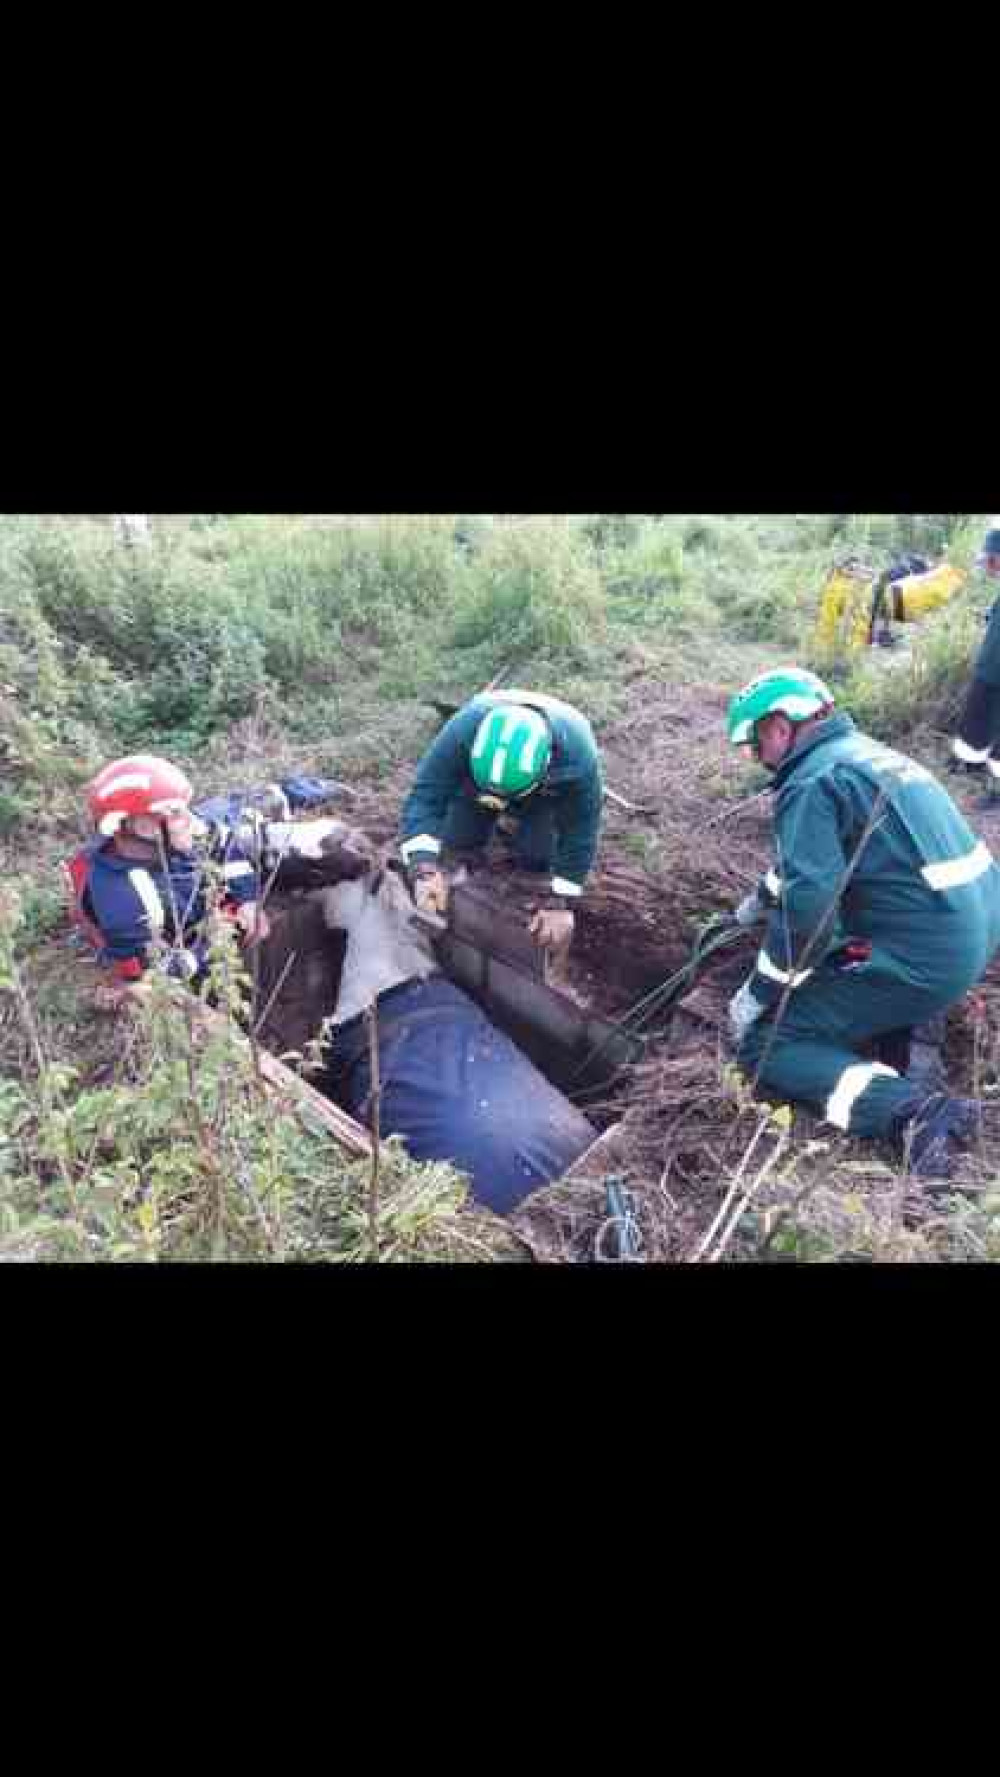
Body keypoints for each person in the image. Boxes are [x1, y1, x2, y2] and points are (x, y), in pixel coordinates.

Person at [725, 667, 1000, 1180]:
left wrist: (760, 993)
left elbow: (810, 914)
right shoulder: (863, 754)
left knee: (767, 1046)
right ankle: (913, 1020)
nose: (756, 757)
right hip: (974, 926)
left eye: (755, 740)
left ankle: (911, 1115)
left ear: (781, 726)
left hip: (927, 954)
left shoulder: (809, 782)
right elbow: (817, 862)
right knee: (851, 952)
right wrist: (758, 901)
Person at [397, 690, 603, 955]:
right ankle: (465, 862)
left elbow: (580, 830)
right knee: (458, 838)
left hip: (544, 795)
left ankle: (531, 878)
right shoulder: (461, 733)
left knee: (538, 852)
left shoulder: (578, 757)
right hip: (476, 786)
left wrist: (560, 902)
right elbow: (426, 797)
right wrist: (423, 867)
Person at [80, 753, 270, 1001]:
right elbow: (159, 977)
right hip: (189, 949)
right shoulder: (125, 900)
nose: (190, 820)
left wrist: (247, 898)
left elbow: (223, 841)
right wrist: (223, 931)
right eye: (176, 813)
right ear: (139, 826)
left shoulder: (169, 836)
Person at [951, 518, 1000, 784]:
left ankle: (994, 785)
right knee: (979, 713)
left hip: (994, 666)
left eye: (994, 560)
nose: (991, 568)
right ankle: (969, 763)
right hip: (989, 668)